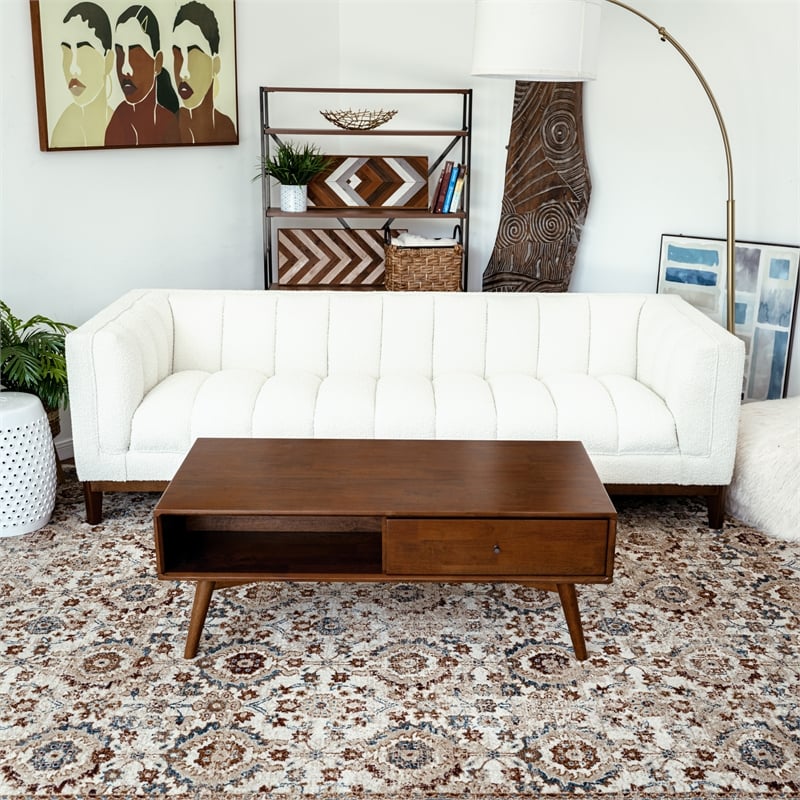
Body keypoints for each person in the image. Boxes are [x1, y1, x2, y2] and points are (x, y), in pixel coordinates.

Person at [104, 5, 180, 146]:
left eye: (136, 55)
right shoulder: (117, 122)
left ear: (157, 63)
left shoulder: (170, 124)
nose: (125, 69)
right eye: (120, 53)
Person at [171, 1, 236, 144]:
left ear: (215, 64)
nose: (183, 72)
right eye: (177, 55)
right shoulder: (168, 129)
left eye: (193, 55)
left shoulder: (227, 128)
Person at [51, 2, 114, 147]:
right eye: (67, 53)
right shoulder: (61, 133)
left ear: (108, 61)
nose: (73, 68)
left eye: (84, 53)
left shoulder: (122, 125)